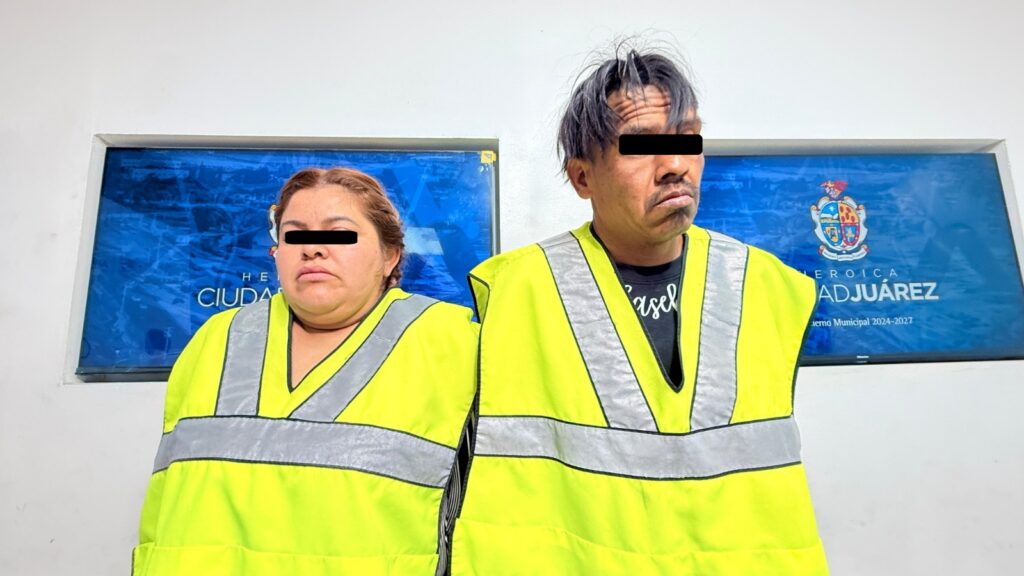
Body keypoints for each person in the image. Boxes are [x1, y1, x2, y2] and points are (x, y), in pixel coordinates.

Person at [451, 47, 829, 574]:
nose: (674, 165)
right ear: (582, 177)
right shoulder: (515, 292)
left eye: (688, 139)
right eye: (641, 145)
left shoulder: (769, 287)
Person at [133, 167, 478, 575]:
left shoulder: (454, 345)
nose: (313, 248)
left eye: (340, 234)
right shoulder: (216, 339)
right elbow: (166, 498)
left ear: (390, 256)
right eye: (293, 235)